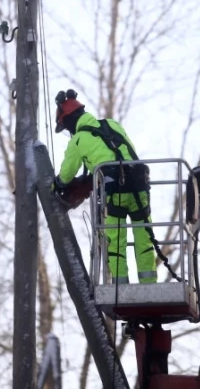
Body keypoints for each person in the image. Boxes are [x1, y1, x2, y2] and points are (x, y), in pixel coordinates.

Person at [52, 89, 157, 284]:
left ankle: (120, 287)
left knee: (116, 241)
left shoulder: (78, 140)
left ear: (69, 121)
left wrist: (55, 184)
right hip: (139, 185)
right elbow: (126, 151)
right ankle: (149, 284)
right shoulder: (112, 124)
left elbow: (66, 176)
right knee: (144, 237)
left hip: (114, 191)